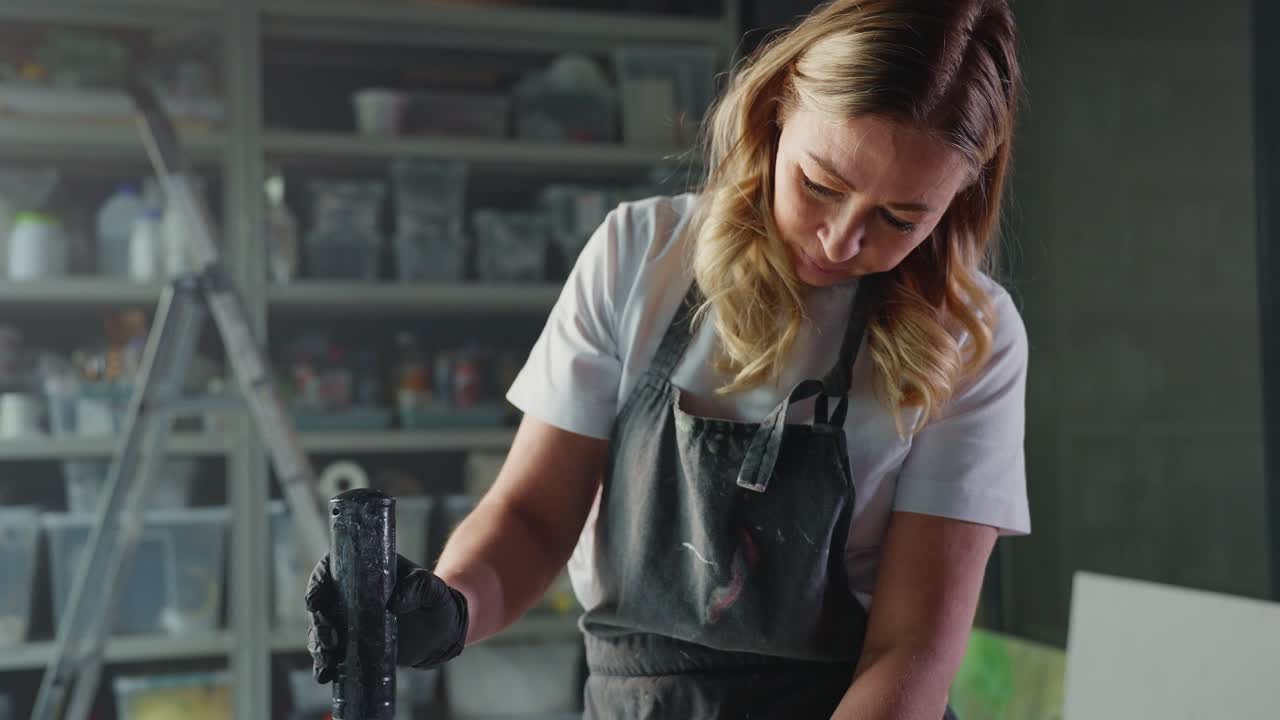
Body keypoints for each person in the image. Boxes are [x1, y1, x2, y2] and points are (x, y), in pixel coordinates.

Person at [306, 0, 1029, 717]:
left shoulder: (973, 335)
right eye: (820, 185)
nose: (841, 240)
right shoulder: (640, 257)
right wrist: (450, 608)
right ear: (776, 110)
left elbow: (910, 650)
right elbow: (532, 517)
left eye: (900, 217)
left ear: (960, 197)